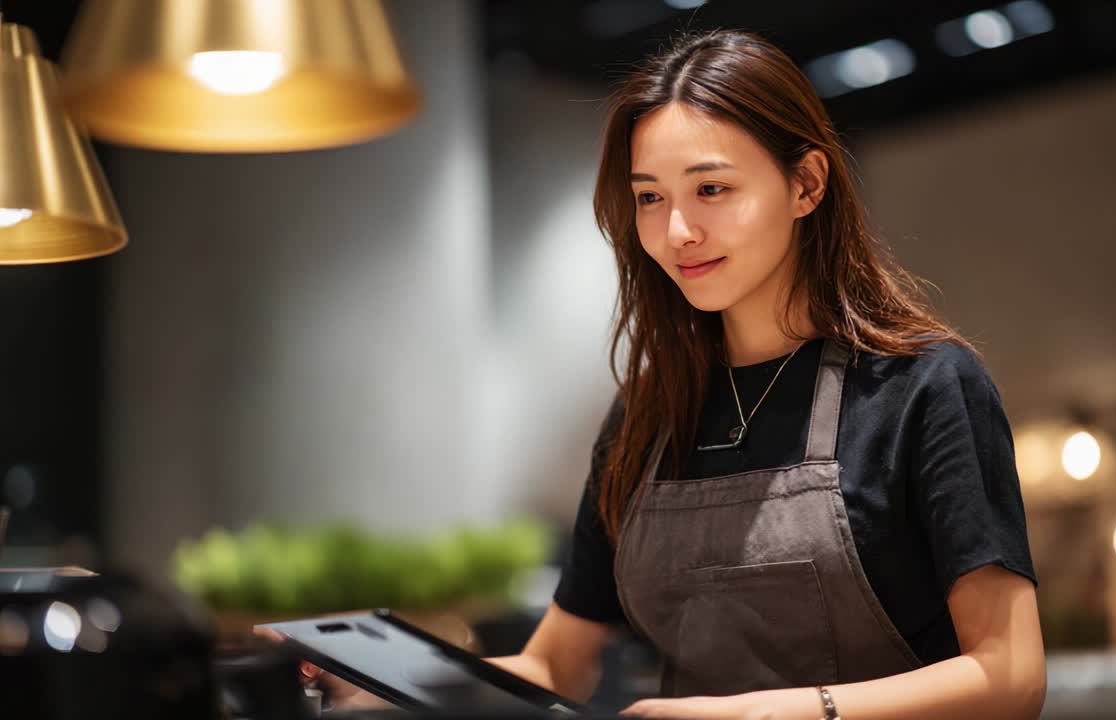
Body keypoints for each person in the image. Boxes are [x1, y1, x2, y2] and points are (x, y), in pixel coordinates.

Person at [301, 29, 1045, 719]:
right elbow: (559, 665)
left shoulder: (925, 389)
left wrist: (772, 711)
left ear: (807, 185)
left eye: (711, 189)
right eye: (651, 197)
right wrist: (382, 685)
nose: (677, 232)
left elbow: (1010, 675)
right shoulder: (646, 420)